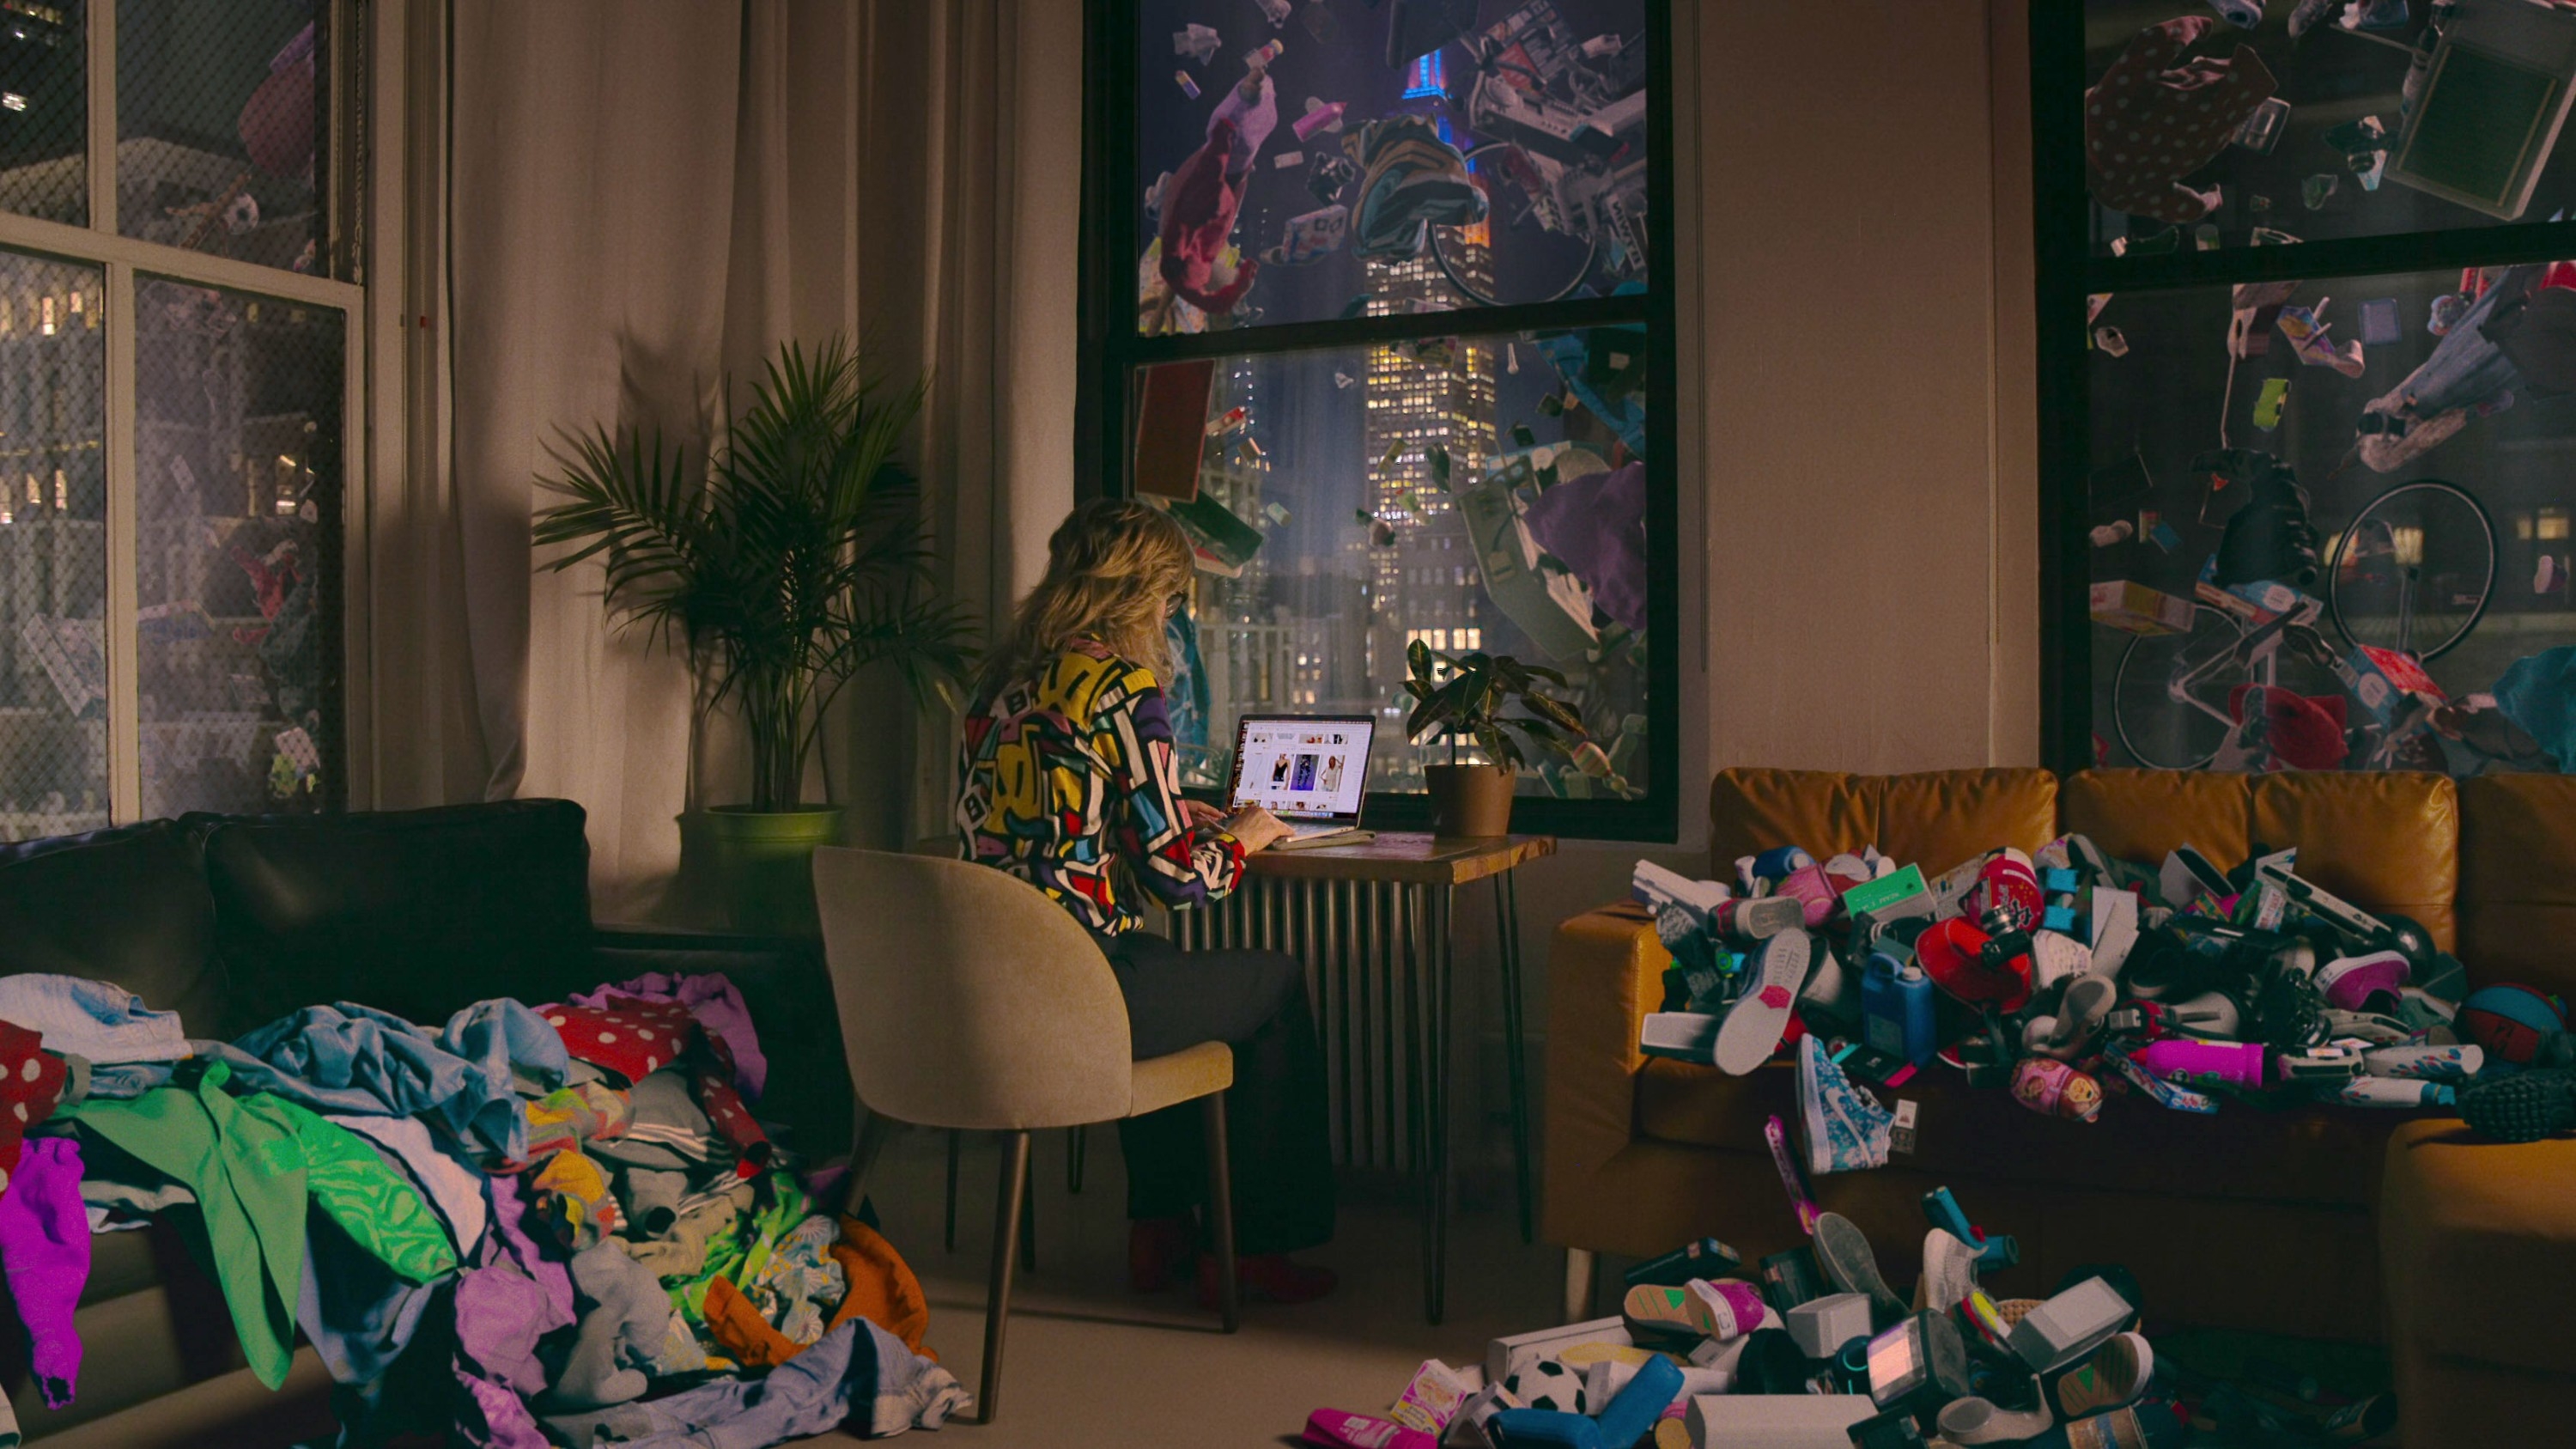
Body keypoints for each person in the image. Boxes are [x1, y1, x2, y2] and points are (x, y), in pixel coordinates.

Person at [954, 498, 1336, 1306]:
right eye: (1170, 600)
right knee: (1276, 982)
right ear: (1143, 597)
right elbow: (1177, 879)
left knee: (1155, 958)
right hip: (1077, 990)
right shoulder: (1123, 685)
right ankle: (1254, 1249)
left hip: (991, 981)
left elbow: (1046, 824)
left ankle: (1159, 1228)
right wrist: (1243, 837)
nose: (1172, 617)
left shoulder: (998, 683)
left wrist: (1165, 809)